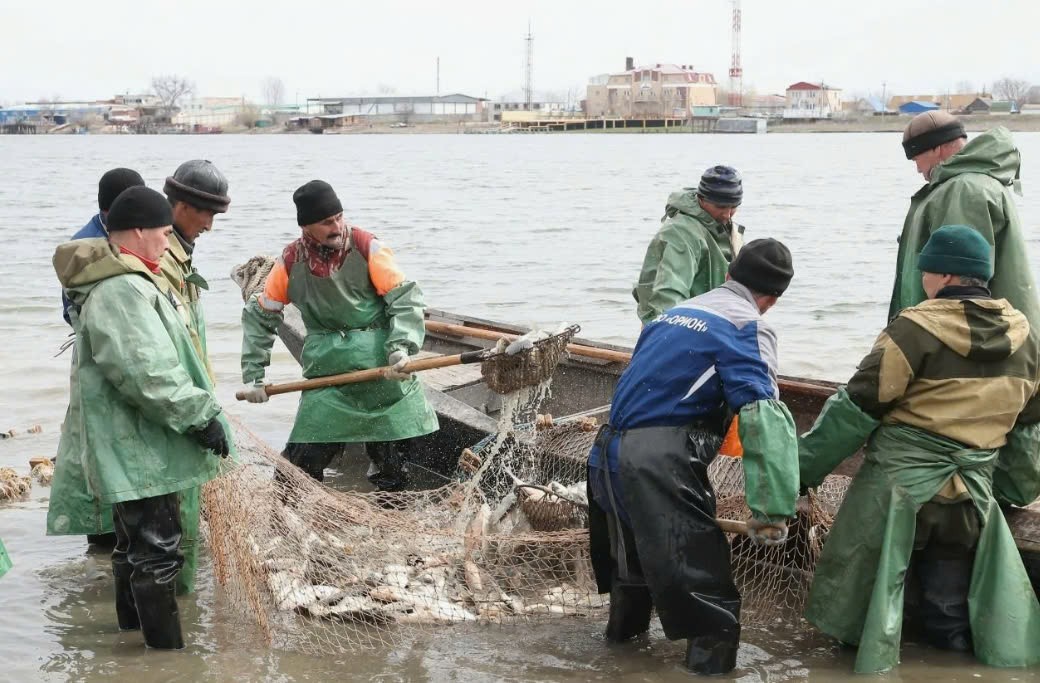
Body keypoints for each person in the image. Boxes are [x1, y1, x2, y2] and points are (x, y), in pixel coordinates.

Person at [799, 225, 1040, 674]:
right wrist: (1012, 490)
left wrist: (801, 470)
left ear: (944, 276)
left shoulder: (914, 329)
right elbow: (1027, 430)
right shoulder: (1027, 339)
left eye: (927, 270)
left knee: (864, 605)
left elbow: (857, 407)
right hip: (968, 501)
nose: (923, 279)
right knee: (947, 605)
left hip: (897, 497)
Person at [588, 238, 799, 675]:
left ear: (727, 275)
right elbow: (762, 418)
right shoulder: (748, 326)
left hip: (606, 456)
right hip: (659, 464)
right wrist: (772, 507)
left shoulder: (670, 314)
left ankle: (617, 662)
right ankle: (710, 672)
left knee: (633, 575)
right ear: (773, 300)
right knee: (708, 600)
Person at [52, 186, 232, 649]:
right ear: (136, 232)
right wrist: (199, 417)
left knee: (133, 549)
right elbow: (147, 374)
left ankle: (133, 645)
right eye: (164, 232)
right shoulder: (121, 289)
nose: (168, 243)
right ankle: (167, 658)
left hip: (131, 443)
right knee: (157, 553)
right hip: (139, 447)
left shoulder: (127, 279)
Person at [240, 180, 438, 490]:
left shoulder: (367, 247)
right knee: (297, 471)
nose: (336, 227)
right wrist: (254, 375)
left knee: (396, 469)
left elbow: (405, 299)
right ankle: (287, 528)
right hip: (328, 374)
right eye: (326, 222)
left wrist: (401, 347)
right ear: (306, 227)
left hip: (382, 370)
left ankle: (389, 523)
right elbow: (262, 315)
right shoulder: (290, 261)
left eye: (339, 217)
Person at [892, 114, 1039, 328]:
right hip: (1000, 338)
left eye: (916, 159)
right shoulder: (978, 182)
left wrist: (924, 347)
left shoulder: (962, 192)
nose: (917, 169)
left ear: (936, 148)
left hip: (974, 347)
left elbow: (959, 290)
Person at [159, 159, 231, 595]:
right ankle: (175, 606)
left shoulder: (179, 251)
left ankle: (179, 602)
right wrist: (195, 410)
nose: (209, 225)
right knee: (177, 509)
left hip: (191, 399)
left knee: (185, 506)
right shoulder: (159, 256)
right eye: (206, 214)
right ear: (181, 206)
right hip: (178, 405)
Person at [632, 165, 746, 324]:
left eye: (733, 207)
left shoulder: (721, 225)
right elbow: (669, 293)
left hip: (710, 322)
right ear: (701, 199)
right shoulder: (681, 233)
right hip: (676, 325)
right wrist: (666, 333)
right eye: (720, 207)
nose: (727, 214)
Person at [61, 167, 146, 324]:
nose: (141, 216)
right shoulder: (82, 247)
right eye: (134, 209)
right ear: (112, 209)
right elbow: (70, 311)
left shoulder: (144, 230)